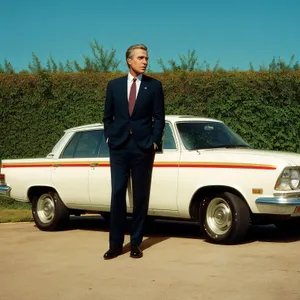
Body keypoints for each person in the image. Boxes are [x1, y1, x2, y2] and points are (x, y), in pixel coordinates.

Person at [102, 44, 165, 259]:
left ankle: (136, 243)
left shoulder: (154, 86)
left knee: (140, 197)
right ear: (129, 60)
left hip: (143, 148)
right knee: (117, 194)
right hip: (118, 147)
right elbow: (107, 117)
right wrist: (109, 137)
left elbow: (159, 117)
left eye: (146, 58)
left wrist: (155, 141)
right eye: (140, 58)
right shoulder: (114, 86)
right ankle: (115, 245)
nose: (145, 61)